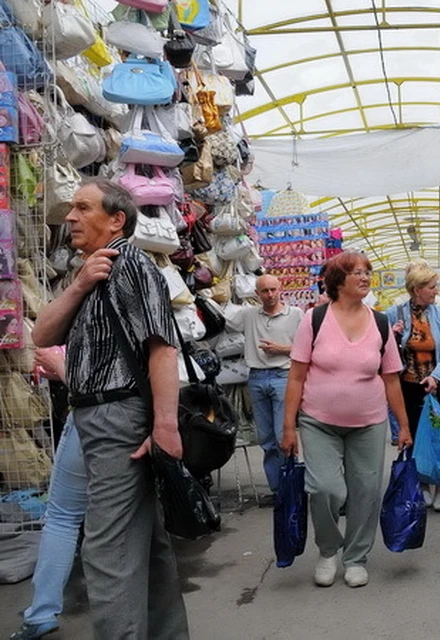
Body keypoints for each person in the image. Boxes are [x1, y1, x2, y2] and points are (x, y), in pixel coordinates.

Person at [32, 179, 188, 638]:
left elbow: (162, 349)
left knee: (109, 551)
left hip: (117, 417)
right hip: (94, 417)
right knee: (145, 546)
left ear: (117, 219)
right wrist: (79, 284)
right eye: (71, 209)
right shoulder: (93, 273)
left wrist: (164, 425)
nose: (72, 217)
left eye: (83, 207)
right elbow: (41, 336)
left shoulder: (133, 267)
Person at [280, 252, 412, 589]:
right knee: (324, 487)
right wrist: (289, 426)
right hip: (318, 420)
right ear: (338, 280)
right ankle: (328, 550)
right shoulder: (315, 319)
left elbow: (391, 378)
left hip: (369, 423)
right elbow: (296, 376)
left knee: (366, 491)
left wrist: (404, 426)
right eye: (357, 272)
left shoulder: (381, 322)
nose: (365, 277)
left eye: (368, 271)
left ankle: (356, 558)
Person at [10, 350, 85, 640]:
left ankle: (42, 611)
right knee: (128, 520)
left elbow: (94, 383)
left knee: (62, 518)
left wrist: (60, 367)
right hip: (138, 419)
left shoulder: (94, 307)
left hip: (94, 417)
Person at [226, 273, 304, 502]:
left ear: (280, 290)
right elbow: (223, 317)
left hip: (284, 376)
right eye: (265, 291)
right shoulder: (248, 315)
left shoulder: (296, 315)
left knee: (283, 436)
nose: (270, 295)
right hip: (257, 378)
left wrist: (282, 349)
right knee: (266, 438)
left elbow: (306, 347)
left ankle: (292, 486)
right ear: (256, 294)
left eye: (273, 290)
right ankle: (278, 490)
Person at [386, 260, 440, 512]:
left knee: (438, 436)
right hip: (408, 387)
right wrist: (394, 335)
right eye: (431, 286)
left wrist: (436, 377)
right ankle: (422, 486)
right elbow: (385, 348)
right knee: (415, 437)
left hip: (436, 386)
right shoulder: (396, 312)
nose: (436, 291)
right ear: (417, 289)